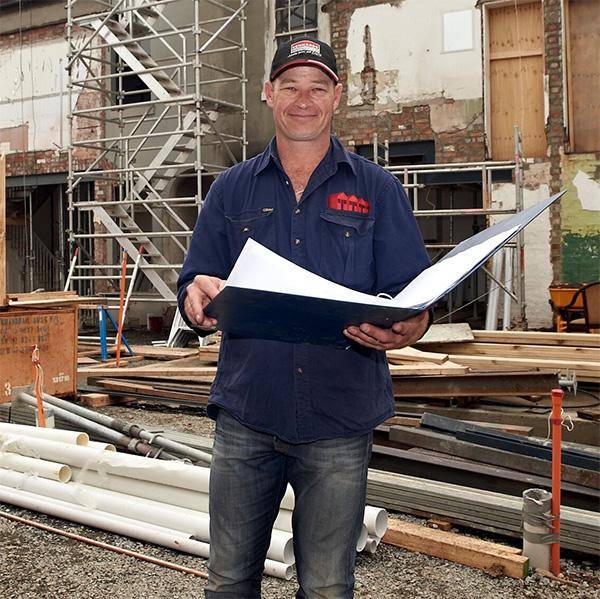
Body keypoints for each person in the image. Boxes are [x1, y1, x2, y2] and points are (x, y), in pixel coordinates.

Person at [177, 37, 431, 599]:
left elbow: (412, 295)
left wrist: (413, 323)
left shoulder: (377, 189)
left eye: (317, 87)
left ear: (337, 97)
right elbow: (194, 280)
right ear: (268, 93)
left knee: (327, 587)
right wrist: (195, 299)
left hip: (339, 417)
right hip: (248, 412)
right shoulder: (231, 189)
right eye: (290, 86)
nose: (303, 100)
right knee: (227, 580)